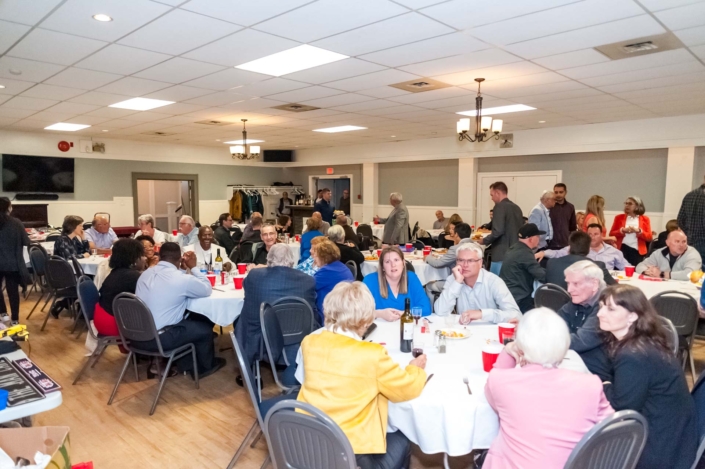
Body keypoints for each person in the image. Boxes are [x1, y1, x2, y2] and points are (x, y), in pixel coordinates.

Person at [295, 282, 427, 469]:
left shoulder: (310, 342)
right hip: (349, 454)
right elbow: (408, 389)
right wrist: (415, 368)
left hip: (309, 441)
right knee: (403, 440)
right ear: (366, 320)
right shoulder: (371, 354)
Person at [484, 308, 614, 469]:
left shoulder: (501, 381)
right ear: (564, 344)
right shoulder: (590, 385)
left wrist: (507, 352)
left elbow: (492, 396)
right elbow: (612, 428)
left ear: (521, 344)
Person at [598, 284, 697, 469]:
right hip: (676, 430)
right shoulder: (646, 340)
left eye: (610, 309)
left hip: (659, 443)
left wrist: (604, 384)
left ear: (633, 316)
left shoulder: (633, 354)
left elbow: (623, 406)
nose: (600, 313)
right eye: (601, 307)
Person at [135, 242, 225, 378]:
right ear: (179, 259)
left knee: (190, 322)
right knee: (204, 329)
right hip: (160, 339)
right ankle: (205, 367)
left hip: (136, 335)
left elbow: (169, 289)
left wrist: (181, 269)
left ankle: (185, 364)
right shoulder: (181, 279)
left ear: (159, 256)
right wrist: (194, 268)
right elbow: (206, 289)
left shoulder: (145, 274)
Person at [235, 244, 317, 368]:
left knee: (242, 318)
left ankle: (249, 367)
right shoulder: (308, 280)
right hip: (298, 333)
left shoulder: (254, 276)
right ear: (292, 260)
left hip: (262, 336)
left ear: (268, 259)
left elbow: (247, 290)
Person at [435, 243, 521, 323]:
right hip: (463, 332)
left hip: (490, 333)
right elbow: (440, 311)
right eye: (461, 260)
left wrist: (482, 314)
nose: (465, 265)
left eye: (470, 260)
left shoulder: (494, 281)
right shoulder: (454, 279)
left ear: (480, 263)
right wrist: (457, 282)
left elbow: (516, 315)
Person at [556, 260, 610, 381]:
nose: (569, 290)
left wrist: (540, 342)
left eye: (575, 283)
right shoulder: (579, 300)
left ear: (595, 284)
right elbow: (553, 326)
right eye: (568, 283)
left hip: (599, 374)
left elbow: (581, 341)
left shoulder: (608, 306)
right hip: (574, 363)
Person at [363, 246, 431, 319]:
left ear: (403, 263)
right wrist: (379, 314)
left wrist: (404, 314)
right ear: (382, 267)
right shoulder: (370, 281)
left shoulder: (411, 278)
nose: (393, 265)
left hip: (407, 327)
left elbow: (426, 308)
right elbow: (358, 312)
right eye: (387, 262)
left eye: (396, 260)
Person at [95, 239, 144, 338]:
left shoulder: (116, 272)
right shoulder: (132, 276)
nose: (145, 259)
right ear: (134, 259)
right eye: (142, 255)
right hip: (114, 323)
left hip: (102, 317)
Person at [539, 224, 631, 271]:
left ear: (602, 235)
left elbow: (627, 268)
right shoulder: (579, 248)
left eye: (596, 234)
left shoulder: (613, 251)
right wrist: (543, 252)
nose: (592, 237)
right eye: (589, 234)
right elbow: (557, 253)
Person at [499, 224, 547, 313]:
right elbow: (542, 275)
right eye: (537, 236)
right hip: (519, 299)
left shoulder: (513, 248)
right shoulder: (524, 253)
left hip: (509, 295)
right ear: (531, 239)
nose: (539, 239)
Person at [479, 182, 524, 275]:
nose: (491, 198)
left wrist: (484, 241)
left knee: (496, 284)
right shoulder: (517, 208)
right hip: (515, 252)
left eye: (492, 195)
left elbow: (498, 231)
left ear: (497, 193)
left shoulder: (499, 207)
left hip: (501, 252)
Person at [544, 231, 615, 289]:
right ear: (588, 248)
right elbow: (616, 287)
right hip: (582, 305)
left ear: (570, 246)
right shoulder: (597, 266)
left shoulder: (551, 263)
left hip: (552, 305)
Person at [0, 198, 30, 325]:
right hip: (12, 263)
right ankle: (15, 320)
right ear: (9, 208)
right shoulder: (16, 223)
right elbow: (26, 242)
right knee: (13, 292)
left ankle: (3, 313)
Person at [312, 238, 354, 322]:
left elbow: (307, 286)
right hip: (346, 311)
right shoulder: (342, 267)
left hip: (330, 316)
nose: (314, 259)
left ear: (323, 257)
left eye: (316, 256)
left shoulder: (327, 272)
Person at [636, 229, 702, 280]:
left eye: (684, 242)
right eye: (677, 241)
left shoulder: (692, 253)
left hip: (688, 290)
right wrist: (647, 272)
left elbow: (690, 274)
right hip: (664, 287)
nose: (681, 245)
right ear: (667, 243)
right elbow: (640, 265)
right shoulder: (659, 252)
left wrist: (662, 274)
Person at [609, 196, 652, 265]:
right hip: (621, 249)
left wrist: (639, 231)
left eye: (630, 204)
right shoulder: (619, 217)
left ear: (637, 206)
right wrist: (622, 230)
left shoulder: (645, 219)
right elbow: (611, 234)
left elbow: (649, 237)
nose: (627, 206)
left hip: (637, 251)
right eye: (626, 203)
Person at [677, 177, 705, 263]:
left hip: (689, 241)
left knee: (691, 270)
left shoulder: (689, 195)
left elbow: (680, 219)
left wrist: (688, 232)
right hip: (703, 241)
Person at [548, 183, 577, 250]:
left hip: (565, 243)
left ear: (565, 192)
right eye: (556, 192)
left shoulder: (570, 207)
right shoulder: (549, 206)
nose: (558, 194)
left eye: (561, 192)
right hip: (551, 243)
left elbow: (572, 227)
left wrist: (572, 242)